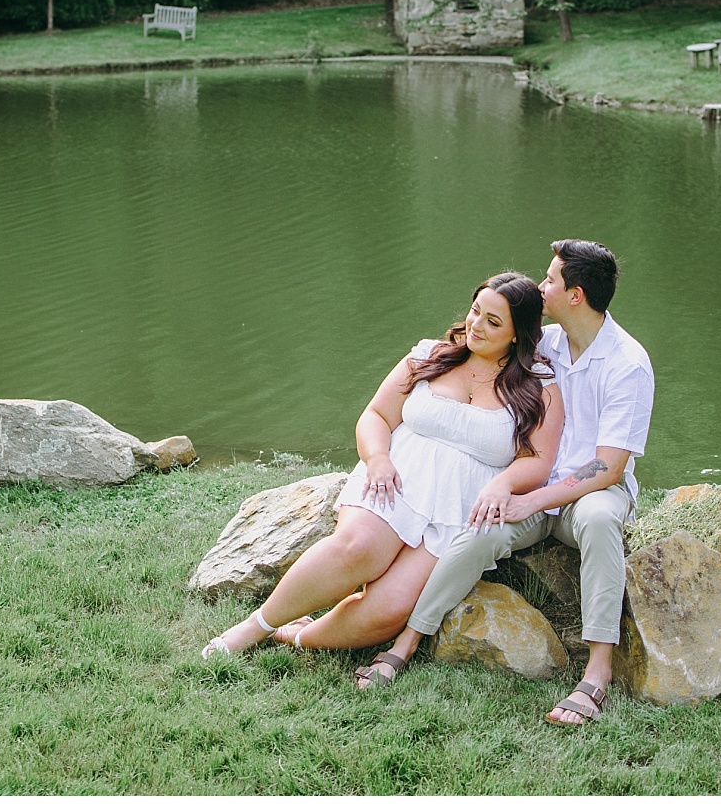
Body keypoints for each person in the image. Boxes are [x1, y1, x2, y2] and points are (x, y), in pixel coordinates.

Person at [201, 271, 563, 687]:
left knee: (389, 609)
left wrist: (503, 484)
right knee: (357, 550)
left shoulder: (539, 387)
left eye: (493, 322)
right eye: (475, 311)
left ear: (518, 335)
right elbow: (375, 416)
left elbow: (537, 461)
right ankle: (254, 626)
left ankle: (297, 635)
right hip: (398, 478)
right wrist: (377, 458)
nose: (475, 326)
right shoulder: (430, 355)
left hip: (457, 507)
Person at [360, 239, 653, 725]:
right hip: (530, 487)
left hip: (589, 493)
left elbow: (609, 467)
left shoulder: (628, 363)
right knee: (478, 528)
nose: (542, 286)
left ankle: (597, 670)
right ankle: (408, 640)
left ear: (575, 294)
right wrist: (505, 488)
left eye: (551, 279)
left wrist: (531, 499)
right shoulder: (546, 345)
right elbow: (474, 359)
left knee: (601, 520)